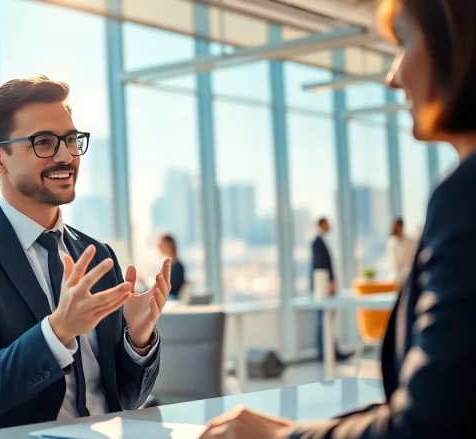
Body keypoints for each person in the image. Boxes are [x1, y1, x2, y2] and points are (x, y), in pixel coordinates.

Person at [200, 0, 476, 437]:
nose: (393, 76)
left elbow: (430, 423)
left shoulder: (466, 194)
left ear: (458, 41)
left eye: (403, 42)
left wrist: (280, 438)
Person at [0, 76, 169, 435]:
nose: (66, 155)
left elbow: (127, 399)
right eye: (44, 143)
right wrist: (58, 330)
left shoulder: (97, 255)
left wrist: (139, 337)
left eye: (70, 139)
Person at [310, 218, 350, 362]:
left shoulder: (321, 241)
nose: (329, 227)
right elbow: (321, 265)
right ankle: (325, 352)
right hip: (323, 285)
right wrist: (330, 282)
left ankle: (330, 350)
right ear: (321, 224)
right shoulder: (317, 242)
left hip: (325, 285)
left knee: (327, 319)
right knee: (324, 319)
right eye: (327, 224)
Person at [385, 217, 417, 285]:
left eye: (396, 226)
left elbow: (411, 261)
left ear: (401, 227)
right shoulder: (391, 242)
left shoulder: (411, 241)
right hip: (395, 276)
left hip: (408, 274)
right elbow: (392, 263)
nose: (394, 229)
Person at [157, 234, 185, 300]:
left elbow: (171, 288)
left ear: (169, 245)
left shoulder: (177, 266)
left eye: (161, 245)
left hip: (172, 299)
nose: (159, 248)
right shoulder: (172, 265)